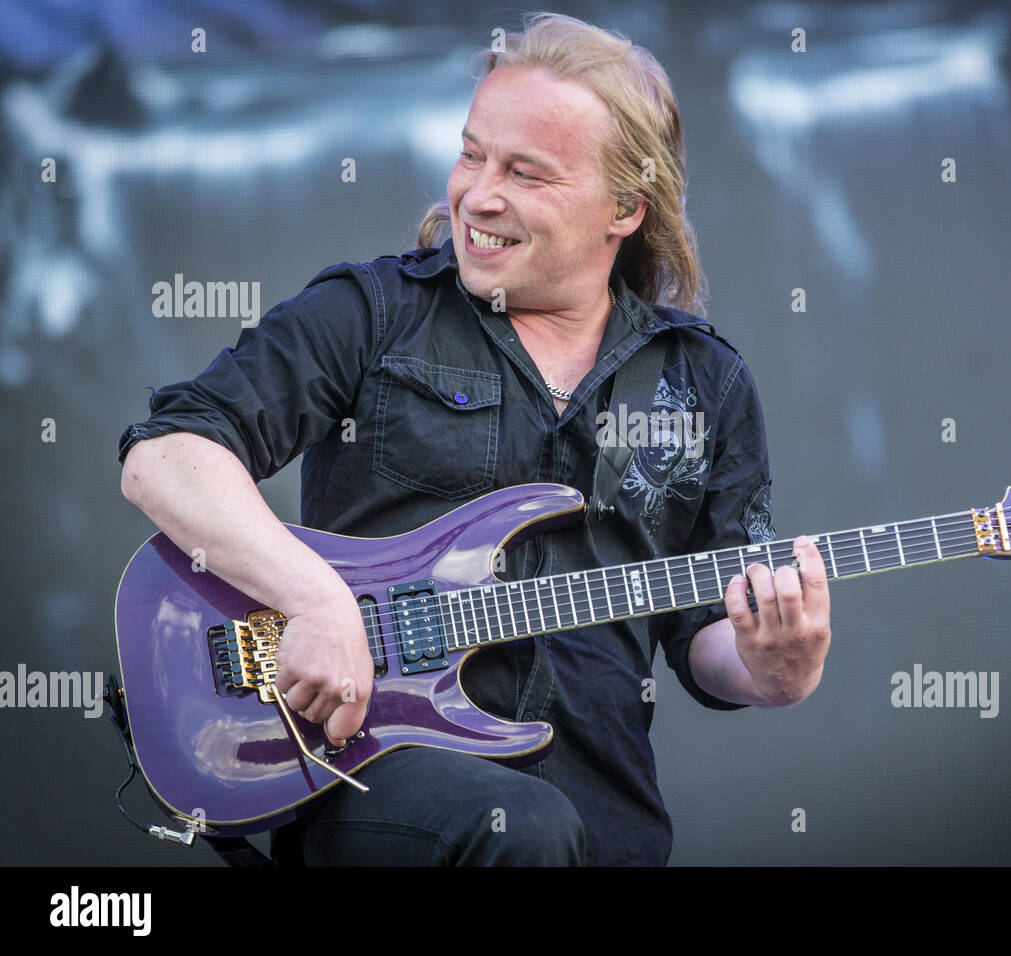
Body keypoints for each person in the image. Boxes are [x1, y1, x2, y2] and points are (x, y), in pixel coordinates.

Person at [117, 13, 832, 866]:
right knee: (523, 831)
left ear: (625, 208)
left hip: (603, 814)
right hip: (371, 780)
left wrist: (772, 669)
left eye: (526, 173)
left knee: (549, 832)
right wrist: (314, 599)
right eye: (472, 154)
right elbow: (166, 454)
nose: (477, 194)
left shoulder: (705, 381)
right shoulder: (372, 314)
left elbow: (706, 634)